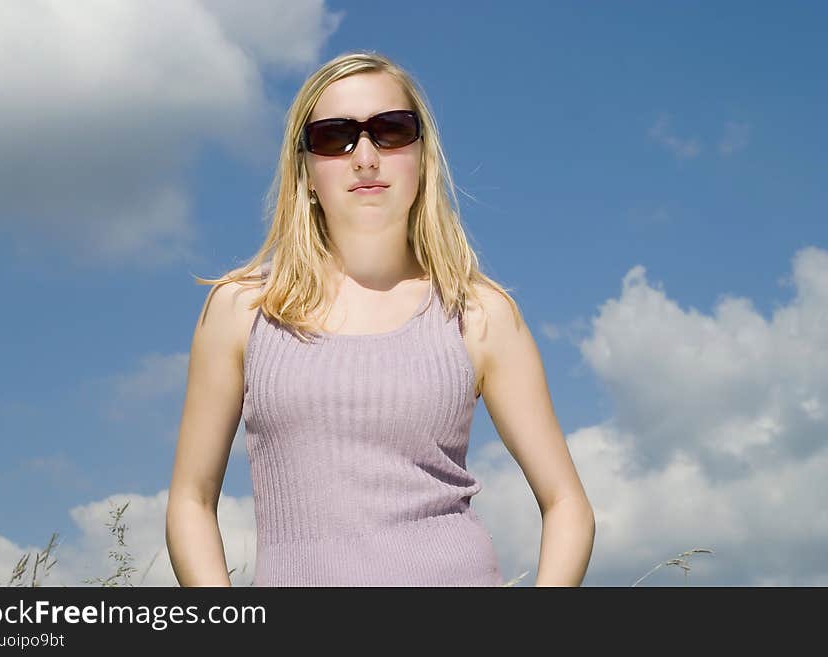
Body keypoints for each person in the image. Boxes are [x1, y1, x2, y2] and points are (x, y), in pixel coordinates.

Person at [165, 50, 595, 587]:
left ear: (422, 156)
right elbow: (190, 501)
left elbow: (567, 504)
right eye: (333, 136)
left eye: (391, 130)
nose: (364, 156)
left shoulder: (479, 314)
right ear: (305, 171)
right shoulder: (241, 311)